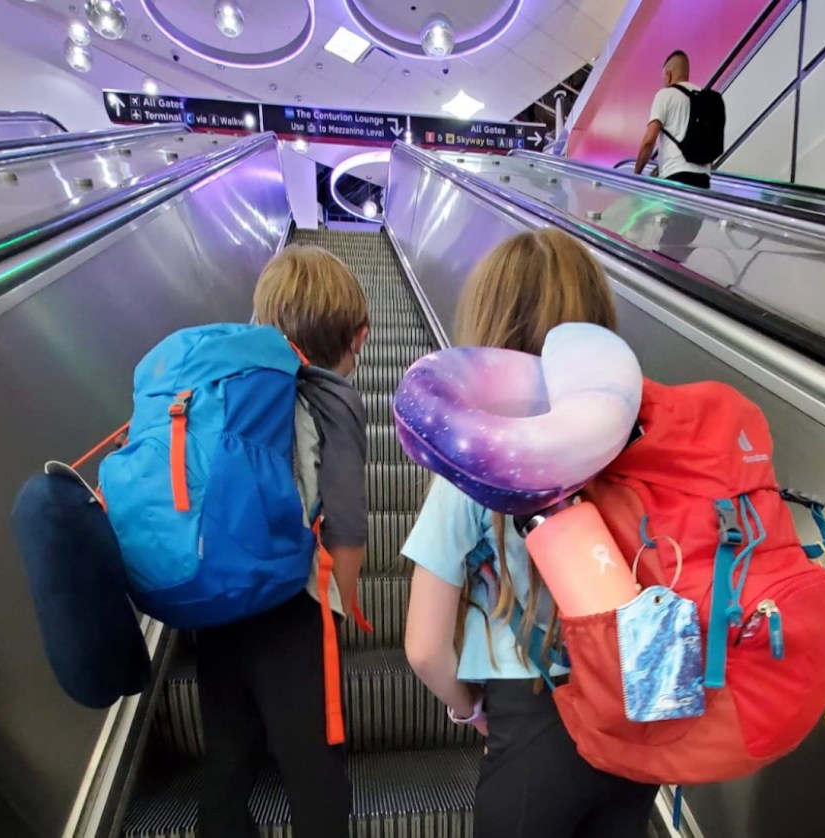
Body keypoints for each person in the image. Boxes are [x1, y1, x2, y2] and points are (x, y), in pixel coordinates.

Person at [402, 229, 658, 838]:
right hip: (635, 721)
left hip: (531, 726)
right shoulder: (639, 455)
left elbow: (423, 647)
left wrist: (470, 712)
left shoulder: (472, 466)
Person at [196, 244, 369, 838]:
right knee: (314, 767)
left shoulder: (225, 386)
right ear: (360, 337)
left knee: (225, 757)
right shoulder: (333, 395)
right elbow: (346, 521)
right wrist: (338, 606)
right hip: (294, 608)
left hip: (214, 596)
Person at [635, 50, 711, 188]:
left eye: (664, 77)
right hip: (703, 180)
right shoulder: (704, 99)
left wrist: (636, 174)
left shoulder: (665, 95)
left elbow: (649, 141)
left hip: (675, 175)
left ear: (669, 75)